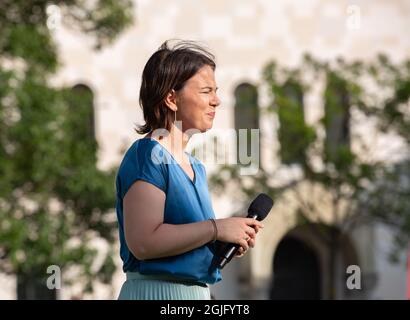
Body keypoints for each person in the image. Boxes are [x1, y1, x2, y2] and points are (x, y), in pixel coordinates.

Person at [115, 40, 264, 300]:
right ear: (172, 98)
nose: (217, 101)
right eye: (206, 91)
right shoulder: (147, 156)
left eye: (216, 91)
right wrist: (216, 229)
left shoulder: (196, 166)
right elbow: (143, 243)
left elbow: (183, 242)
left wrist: (222, 241)